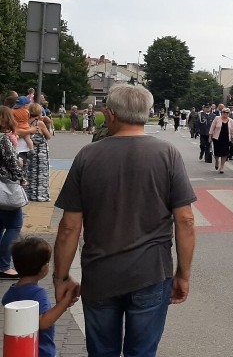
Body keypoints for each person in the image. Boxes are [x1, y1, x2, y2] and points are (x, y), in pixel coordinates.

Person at [53, 84, 196, 356]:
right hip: (151, 274)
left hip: (100, 276)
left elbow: (69, 228)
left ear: (109, 114)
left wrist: (61, 278)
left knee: (102, 352)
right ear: (147, 112)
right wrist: (183, 274)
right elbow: (186, 221)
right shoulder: (168, 155)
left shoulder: (88, 156)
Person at [2, 236, 80, 357]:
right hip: (39, 350)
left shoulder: (11, 291)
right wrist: (65, 302)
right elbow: (43, 322)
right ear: (44, 268)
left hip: (18, 349)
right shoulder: (37, 293)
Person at [0, 105, 25, 279]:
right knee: (14, 225)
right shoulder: (2, 139)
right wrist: (21, 177)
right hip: (5, 187)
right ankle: (4, 266)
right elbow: (10, 162)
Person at [24, 103, 52, 202]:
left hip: (29, 150)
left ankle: (29, 194)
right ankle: (40, 195)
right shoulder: (39, 123)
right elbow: (48, 136)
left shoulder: (26, 122)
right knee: (41, 173)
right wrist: (49, 123)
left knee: (30, 172)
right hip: (41, 151)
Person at [209, 107, 233, 174]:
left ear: (229, 113)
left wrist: (232, 138)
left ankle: (222, 167)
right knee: (217, 152)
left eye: (227, 112)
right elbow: (212, 127)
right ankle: (217, 161)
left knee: (225, 153)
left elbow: (232, 130)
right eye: (224, 112)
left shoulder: (231, 120)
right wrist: (210, 136)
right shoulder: (217, 118)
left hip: (226, 138)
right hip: (217, 138)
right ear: (222, 112)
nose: (225, 114)